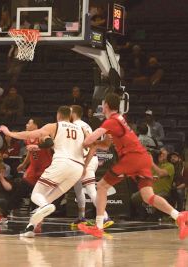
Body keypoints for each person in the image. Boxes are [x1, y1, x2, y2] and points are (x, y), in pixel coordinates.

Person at [78, 93, 188, 239]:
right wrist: (96, 144)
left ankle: (98, 226)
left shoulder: (111, 121)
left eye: (103, 105)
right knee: (148, 196)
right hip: (142, 158)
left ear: (106, 105)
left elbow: (89, 140)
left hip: (132, 157)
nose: (101, 108)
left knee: (102, 186)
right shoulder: (120, 119)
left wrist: (83, 139)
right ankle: (178, 215)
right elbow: (104, 145)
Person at [0, 106, 86, 237]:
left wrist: (9, 133)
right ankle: (30, 227)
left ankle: (44, 207)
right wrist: (86, 165)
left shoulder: (54, 126)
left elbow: (29, 134)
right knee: (46, 200)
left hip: (62, 163)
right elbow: (92, 145)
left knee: (36, 196)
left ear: (58, 115)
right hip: (78, 168)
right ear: (70, 116)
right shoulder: (82, 129)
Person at [70, 105, 113, 228]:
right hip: (81, 160)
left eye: (69, 111)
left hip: (86, 160)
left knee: (90, 190)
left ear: (73, 113)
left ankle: (105, 216)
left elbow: (92, 143)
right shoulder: (84, 124)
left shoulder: (77, 126)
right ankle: (81, 217)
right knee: (78, 188)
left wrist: (85, 164)